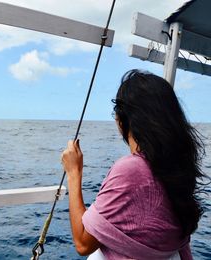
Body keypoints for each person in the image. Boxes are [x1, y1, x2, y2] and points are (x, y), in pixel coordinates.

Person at [61, 70, 206, 260]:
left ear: (122, 120)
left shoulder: (131, 170)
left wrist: (74, 172)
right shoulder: (179, 167)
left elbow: (83, 243)